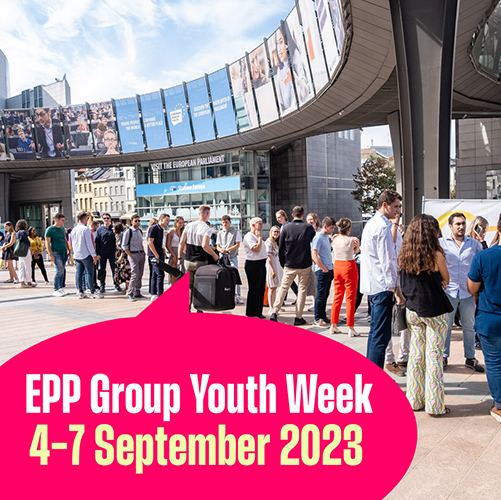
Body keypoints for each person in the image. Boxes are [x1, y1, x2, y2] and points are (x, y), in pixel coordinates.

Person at [399, 214, 453, 416]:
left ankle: (414, 399)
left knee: (415, 356)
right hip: (435, 312)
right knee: (434, 357)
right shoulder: (436, 255)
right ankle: (435, 405)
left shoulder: (405, 254)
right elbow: (446, 278)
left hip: (413, 310)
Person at [360, 189, 405, 369]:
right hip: (382, 287)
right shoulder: (382, 226)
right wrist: (397, 291)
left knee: (377, 334)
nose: (398, 210)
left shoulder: (374, 224)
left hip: (375, 285)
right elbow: (388, 262)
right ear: (384, 205)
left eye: (400, 206)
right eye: (396, 206)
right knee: (380, 335)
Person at [439, 212, 484, 372]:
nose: (461, 227)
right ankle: (443, 357)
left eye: (463, 223)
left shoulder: (474, 244)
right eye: (458, 224)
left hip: (468, 292)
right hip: (448, 292)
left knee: (469, 326)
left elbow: (480, 266)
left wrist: (478, 290)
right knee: (446, 326)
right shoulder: (441, 243)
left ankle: (470, 358)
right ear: (450, 226)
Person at [468, 213, 501, 423]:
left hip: (490, 318)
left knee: (495, 363)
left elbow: (472, 287)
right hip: (490, 318)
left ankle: (499, 405)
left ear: (497, 228)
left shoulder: (484, 256)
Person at [270, 206, 316, 325]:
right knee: (302, 290)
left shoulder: (286, 228)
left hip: (289, 264)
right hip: (304, 264)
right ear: (303, 215)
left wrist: (282, 263)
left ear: (292, 215)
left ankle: (275, 312)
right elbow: (313, 241)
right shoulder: (308, 227)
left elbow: (281, 249)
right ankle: (298, 317)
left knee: (284, 288)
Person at [178, 206, 218, 310]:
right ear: (207, 214)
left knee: (189, 286)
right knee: (200, 286)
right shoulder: (207, 228)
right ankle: (199, 310)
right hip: (201, 261)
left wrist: (180, 257)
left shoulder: (189, 225)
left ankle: (187, 309)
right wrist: (214, 255)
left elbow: (181, 242)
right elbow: (205, 245)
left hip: (188, 260)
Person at [330, 218, 360, 336]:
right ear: (349, 228)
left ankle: (333, 324)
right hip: (349, 266)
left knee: (337, 296)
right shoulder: (353, 240)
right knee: (350, 298)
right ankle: (350, 327)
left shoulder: (334, 239)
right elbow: (356, 251)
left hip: (337, 266)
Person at [311, 216, 336, 328]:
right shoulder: (319, 238)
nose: (332, 230)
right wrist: (323, 268)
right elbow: (314, 255)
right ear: (325, 227)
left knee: (325, 294)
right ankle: (317, 318)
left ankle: (322, 314)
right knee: (320, 295)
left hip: (328, 269)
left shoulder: (326, 237)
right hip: (322, 270)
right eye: (331, 228)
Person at [71, 211, 102, 299]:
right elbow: (89, 243)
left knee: (79, 273)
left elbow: (73, 243)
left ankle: (80, 291)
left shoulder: (74, 229)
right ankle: (92, 291)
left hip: (77, 254)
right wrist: (94, 255)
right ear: (85, 218)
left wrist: (74, 252)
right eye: (87, 219)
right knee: (89, 273)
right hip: (86, 254)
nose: (88, 220)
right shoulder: (86, 229)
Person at [243, 217, 268, 318]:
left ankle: (258, 311)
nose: (261, 225)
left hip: (261, 263)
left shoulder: (257, 235)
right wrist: (260, 239)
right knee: (254, 289)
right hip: (253, 264)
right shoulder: (249, 236)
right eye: (259, 223)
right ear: (253, 225)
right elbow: (256, 249)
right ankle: (251, 312)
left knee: (261, 288)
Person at [216, 215, 244, 304]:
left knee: (234, 274)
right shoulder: (220, 233)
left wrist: (227, 249)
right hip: (222, 257)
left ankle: (237, 295)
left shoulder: (235, 232)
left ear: (230, 222)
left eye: (226, 222)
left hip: (232, 256)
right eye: (223, 222)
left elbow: (237, 244)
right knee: (222, 275)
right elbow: (218, 246)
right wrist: (221, 250)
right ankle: (223, 294)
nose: (224, 224)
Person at [45, 213, 70, 297]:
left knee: (62, 270)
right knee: (59, 271)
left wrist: (68, 250)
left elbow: (65, 239)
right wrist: (50, 254)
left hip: (63, 252)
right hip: (56, 252)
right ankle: (56, 289)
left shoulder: (62, 229)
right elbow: (47, 243)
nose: (63, 222)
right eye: (62, 220)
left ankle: (60, 288)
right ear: (57, 220)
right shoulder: (50, 230)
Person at [122, 214, 146, 302]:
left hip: (140, 254)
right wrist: (130, 255)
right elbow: (124, 246)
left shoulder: (140, 231)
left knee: (140, 274)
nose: (137, 222)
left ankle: (137, 292)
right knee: (135, 274)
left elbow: (141, 243)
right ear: (131, 222)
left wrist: (143, 252)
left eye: (139, 220)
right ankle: (130, 293)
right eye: (136, 221)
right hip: (133, 254)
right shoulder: (128, 231)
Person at [148, 213, 170, 301]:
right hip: (154, 255)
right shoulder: (154, 228)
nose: (168, 222)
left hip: (159, 253)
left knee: (155, 274)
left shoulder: (161, 229)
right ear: (161, 219)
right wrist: (155, 254)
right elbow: (150, 242)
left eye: (168, 220)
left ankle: (154, 293)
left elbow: (157, 242)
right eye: (166, 220)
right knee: (160, 274)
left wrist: (162, 248)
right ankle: (160, 294)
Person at [95, 213, 118, 293]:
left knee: (114, 269)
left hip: (112, 253)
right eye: (104, 218)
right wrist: (97, 254)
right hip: (102, 253)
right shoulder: (99, 230)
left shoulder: (113, 229)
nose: (106, 220)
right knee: (102, 269)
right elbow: (97, 242)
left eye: (108, 218)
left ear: (110, 219)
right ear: (102, 219)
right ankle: (102, 285)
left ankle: (116, 284)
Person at [265, 226, 283, 315]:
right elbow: (268, 258)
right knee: (271, 288)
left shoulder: (277, 242)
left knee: (275, 287)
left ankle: (275, 306)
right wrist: (272, 270)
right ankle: (271, 307)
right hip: (272, 267)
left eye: (278, 232)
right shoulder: (269, 242)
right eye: (274, 231)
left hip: (278, 266)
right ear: (271, 232)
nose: (276, 233)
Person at [15, 219, 36, 288]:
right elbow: (27, 241)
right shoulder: (23, 232)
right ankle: (29, 281)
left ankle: (22, 281)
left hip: (20, 250)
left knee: (21, 266)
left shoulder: (17, 232)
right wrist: (31, 249)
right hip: (25, 250)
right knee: (27, 265)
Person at [166, 216, 185, 286]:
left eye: (182, 223)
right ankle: (172, 286)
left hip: (182, 252)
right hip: (173, 251)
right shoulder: (171, 231)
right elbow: (167, 245)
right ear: (176, 222)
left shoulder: (183, 231)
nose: (181, 224)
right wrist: (173, 255)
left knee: (182, 271)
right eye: (179, 222)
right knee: (173, 271)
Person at [113, 223, 131, 292]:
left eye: (114, 228)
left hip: (123, 256)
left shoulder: (122, 235)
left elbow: (123, 247)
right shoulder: (116, 236)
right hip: (118, 255)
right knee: (120, 272)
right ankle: (123, 286)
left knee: (126, 271)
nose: (112, 229)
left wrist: (120, 257)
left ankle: (128, 288)